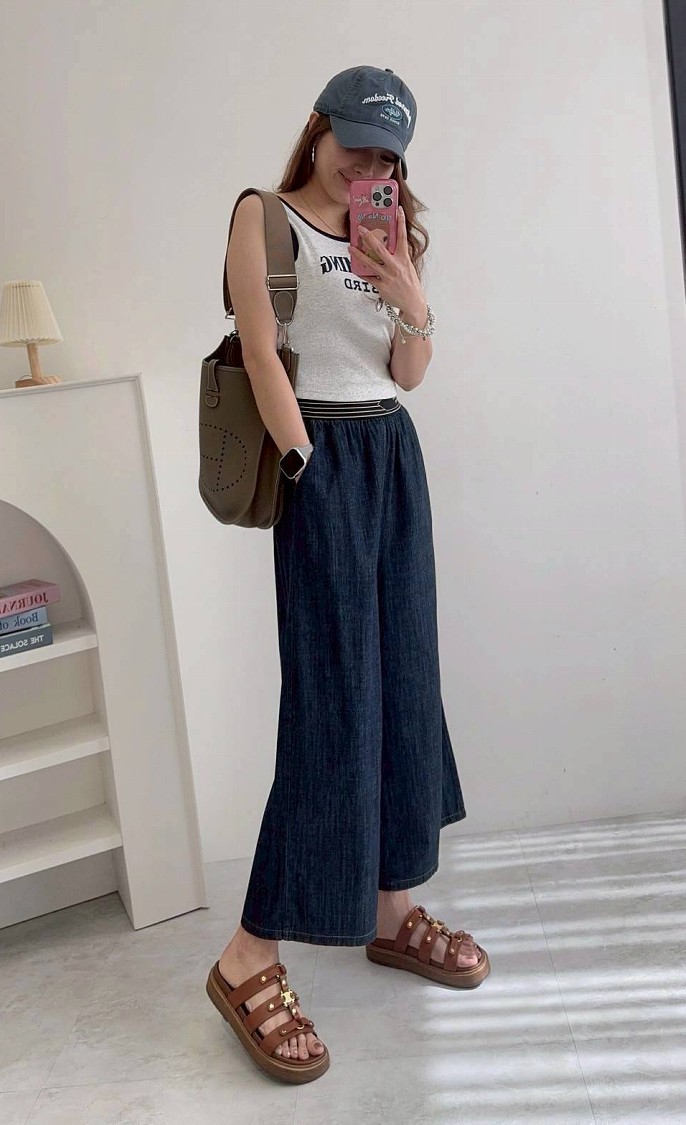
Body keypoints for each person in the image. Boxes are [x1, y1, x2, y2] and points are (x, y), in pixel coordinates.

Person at [205, 65, 490, 1085]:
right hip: (320, 459)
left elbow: (405, 372)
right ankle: (248, 954)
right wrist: (302, 465)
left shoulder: (391, 229)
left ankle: (389, 905)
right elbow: (262, 354)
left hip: (392, 456)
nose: (369, 163)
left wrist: (409, 293)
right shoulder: (264, 216)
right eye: (356, 142)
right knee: (332, 704)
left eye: (386, 154)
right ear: (319, 128)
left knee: (404, 686)